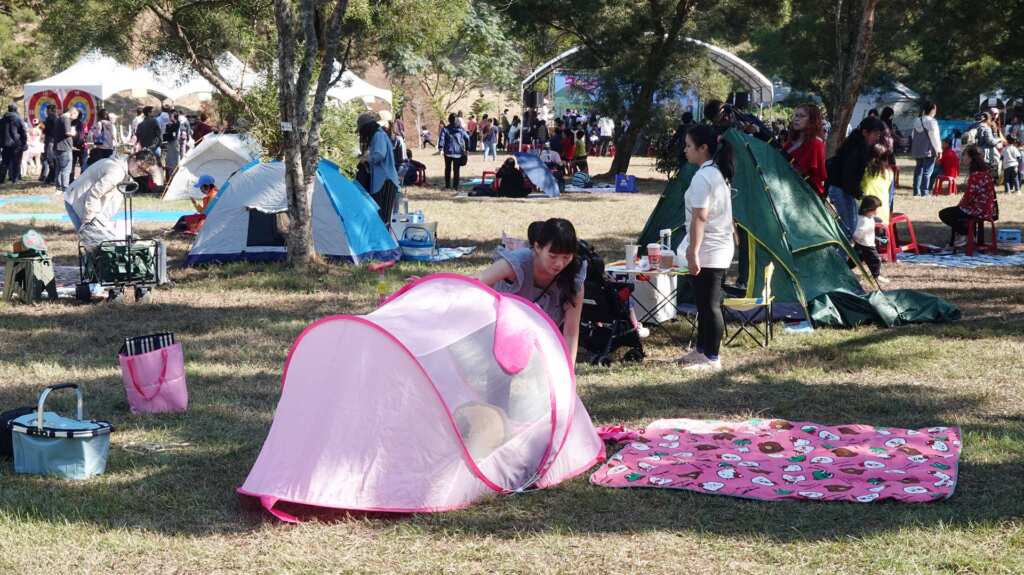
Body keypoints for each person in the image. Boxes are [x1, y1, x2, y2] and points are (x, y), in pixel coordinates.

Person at [477, 218, 586, 363]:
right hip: (495, 334)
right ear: (537, 248)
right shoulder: (517, 263)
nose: (559, 264)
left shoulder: (574, 279)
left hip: (536, 344)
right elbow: (476, 282)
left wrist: (568, 372)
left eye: (566, 257)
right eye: (553, 256)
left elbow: (570, 334)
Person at [676, 125, 735, 372]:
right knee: (703, 304)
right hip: (715, 246)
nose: (685, 150)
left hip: (710, 249)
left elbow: (700, 217)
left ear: (703, 148)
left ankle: (712, 357)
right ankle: (701, 350)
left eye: (689, 146)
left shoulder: (704, 177)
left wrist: (693, 252)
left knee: (710, 305)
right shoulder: (713, 173)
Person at [64, 150, 163, 246]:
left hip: (81, 199)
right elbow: (94, 194)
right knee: (94, 243)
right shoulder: (116, 172)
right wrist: (88, 221)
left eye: (145, 172)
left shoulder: (122, 167)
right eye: (139, 167)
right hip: (77, 200)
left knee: (99, 242)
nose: (140, 172)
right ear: (133, 158)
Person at [825, 116, 886, 238]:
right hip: (840, 189)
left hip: (845, 189)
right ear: (865, 132)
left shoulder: (860, 146)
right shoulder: (855, 149)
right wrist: (859, 194)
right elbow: (848, 177)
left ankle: (841, 248)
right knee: (849, 227)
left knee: (850, 224)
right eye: (875, 134)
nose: (877, 138)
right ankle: (839, 250)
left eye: (879, 135)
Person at [938, 146, 997, 248]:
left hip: (978, 210)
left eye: (964, 155)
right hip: (985, 208)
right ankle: (964, 235)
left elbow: (969, 196)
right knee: (954, 212)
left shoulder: (976, 175)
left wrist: (960, 206)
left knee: (944, 214)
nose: (962, 158)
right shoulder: (983, 172)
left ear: (970, 158)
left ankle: (966, 234)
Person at [357, 112, 401, 225]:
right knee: (379, 216)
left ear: (367, 128)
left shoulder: (378, 135)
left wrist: (365, 159)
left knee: (383, 218)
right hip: (381, 181)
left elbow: (379, 155)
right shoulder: (378, 135)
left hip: (385, 181)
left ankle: (384, 237)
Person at [785, 104, 827, 196]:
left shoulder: (816, 144)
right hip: (788, 189)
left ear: (812, 120)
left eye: (802, 116)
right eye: (796, 115)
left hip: (806, 195)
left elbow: (800, 171)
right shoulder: (791, 141)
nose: (796, 119)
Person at [851, 195, 887, 284]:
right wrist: (855, 237)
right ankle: (875, 276)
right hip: (867, 245)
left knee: (855, 259)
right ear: (870, 209)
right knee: (876, 260)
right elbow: (859, 232)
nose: (878, 210)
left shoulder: (866, 217)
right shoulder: (864, 220)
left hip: (861, 244)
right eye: (877, 208)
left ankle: (846, 269)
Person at [910, 101, 942, 197]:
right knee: (927, 171)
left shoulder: (917, 120)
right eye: (935, 109)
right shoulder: (932, 121)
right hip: (928, 149)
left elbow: (913, 135)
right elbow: (935, 137)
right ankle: (925, 192)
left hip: (918, 148)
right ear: (932, 110)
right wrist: (939, 150)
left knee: (918, 170)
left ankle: (916, 191)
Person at [861, 143, 893, 227]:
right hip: (883, 212)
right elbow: (890, 196)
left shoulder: (865, 170)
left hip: (866, 212)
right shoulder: (889, 172)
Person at [438, 113, 469, 190]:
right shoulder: (461, 129)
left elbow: (442, 139)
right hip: (458, 153)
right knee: (456, 170)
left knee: (447, 169)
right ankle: (455, 186)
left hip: (448, 152)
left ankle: (447, 185)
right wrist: (467, 148)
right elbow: (467, 138)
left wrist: (441, 148)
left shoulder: (445, 129)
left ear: (449, 119)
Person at [0, 104, 27, 185]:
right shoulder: (18, 119)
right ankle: (15, 179)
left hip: (5, 144)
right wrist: (24, 142)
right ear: (15, 109)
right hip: (16, 143)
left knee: (4, 162)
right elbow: (23, 131)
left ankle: (1, 179)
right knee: (16, 162)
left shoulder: (2, 119)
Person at [54, 107, 78, 193]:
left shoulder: (59, 118)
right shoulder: (66, 119)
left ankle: (58, 187)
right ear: (72, 113)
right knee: (66, 169)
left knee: (59, 168)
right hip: (65, 148)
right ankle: (65, 188)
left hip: (58, 147)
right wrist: (74, 133)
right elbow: (67, 132)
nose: (74, 119)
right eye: (75, 116)